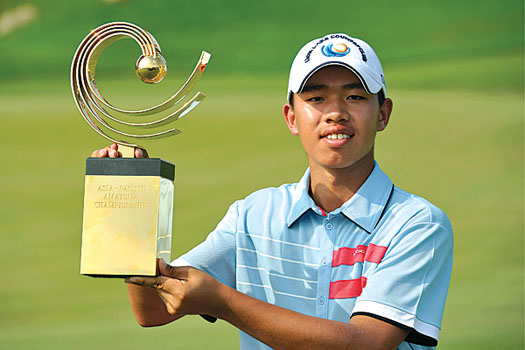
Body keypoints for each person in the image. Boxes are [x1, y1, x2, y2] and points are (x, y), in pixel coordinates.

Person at [93, 33, 453, 350]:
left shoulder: (418, 224)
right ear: (292, 117)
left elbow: (367, 344)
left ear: (383, 114)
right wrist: (132, 217)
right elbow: (154, 311)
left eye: (356, 97)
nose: (335, 113)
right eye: (315, 99)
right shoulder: (252, 216)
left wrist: (223, 301)